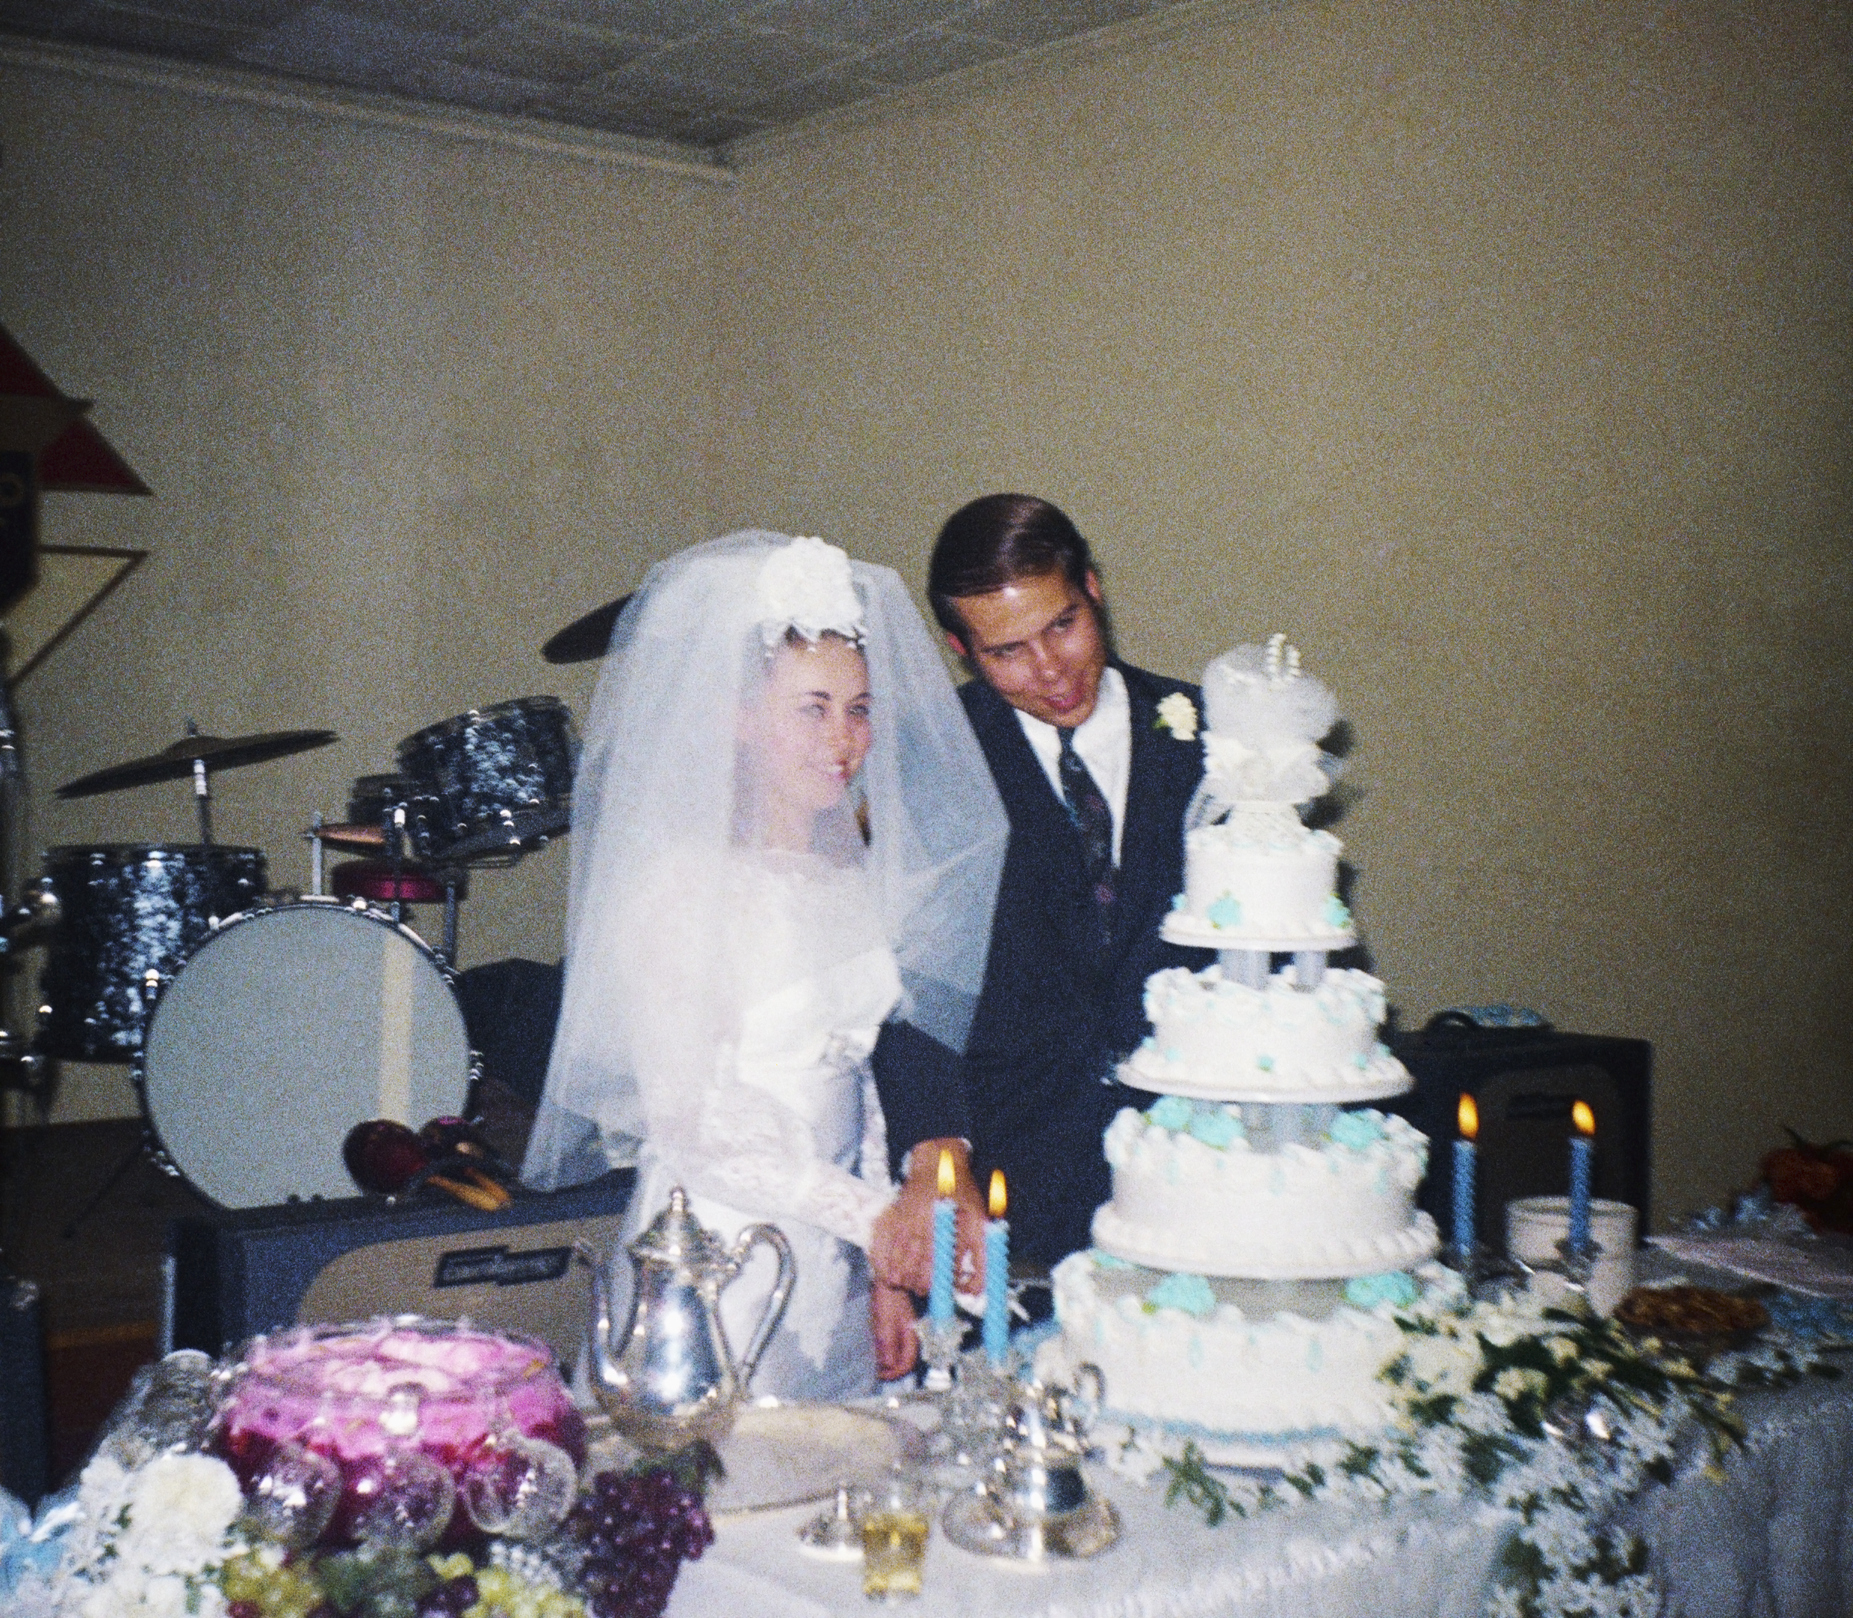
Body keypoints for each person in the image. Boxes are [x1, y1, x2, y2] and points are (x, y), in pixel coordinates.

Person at [522, 532, 1007, 1396]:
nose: (843, 740)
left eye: (858, 709)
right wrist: (875, 1222)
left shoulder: (846, 875)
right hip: (720, 1258)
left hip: (835, 1258)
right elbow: (692, 1118)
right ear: (741, 718)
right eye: (811, 709)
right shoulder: (681, 887)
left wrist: (886, 1270)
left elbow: (858, 1077)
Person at [874, 495, 1212, 1282]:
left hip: (1198, 1177)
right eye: (1007, 652)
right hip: (1007, 1190)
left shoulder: (1212, 739)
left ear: (1092, 589)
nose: (1050, 670)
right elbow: (909, 982)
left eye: (1062, 625)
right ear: (962, 650)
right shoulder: (928, 757)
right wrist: (935, 1159)